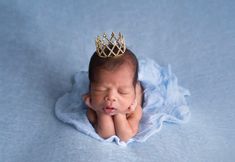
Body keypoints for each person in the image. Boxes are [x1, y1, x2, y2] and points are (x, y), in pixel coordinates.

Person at [83, 32, 143, 142]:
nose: (111, 97)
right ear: (91, 88)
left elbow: (125, 136)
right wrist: (101, 112)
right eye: (101, 89)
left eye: (122, 92)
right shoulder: (93, 107)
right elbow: (106, 135)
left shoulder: (134, 109)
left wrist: (121, 113)